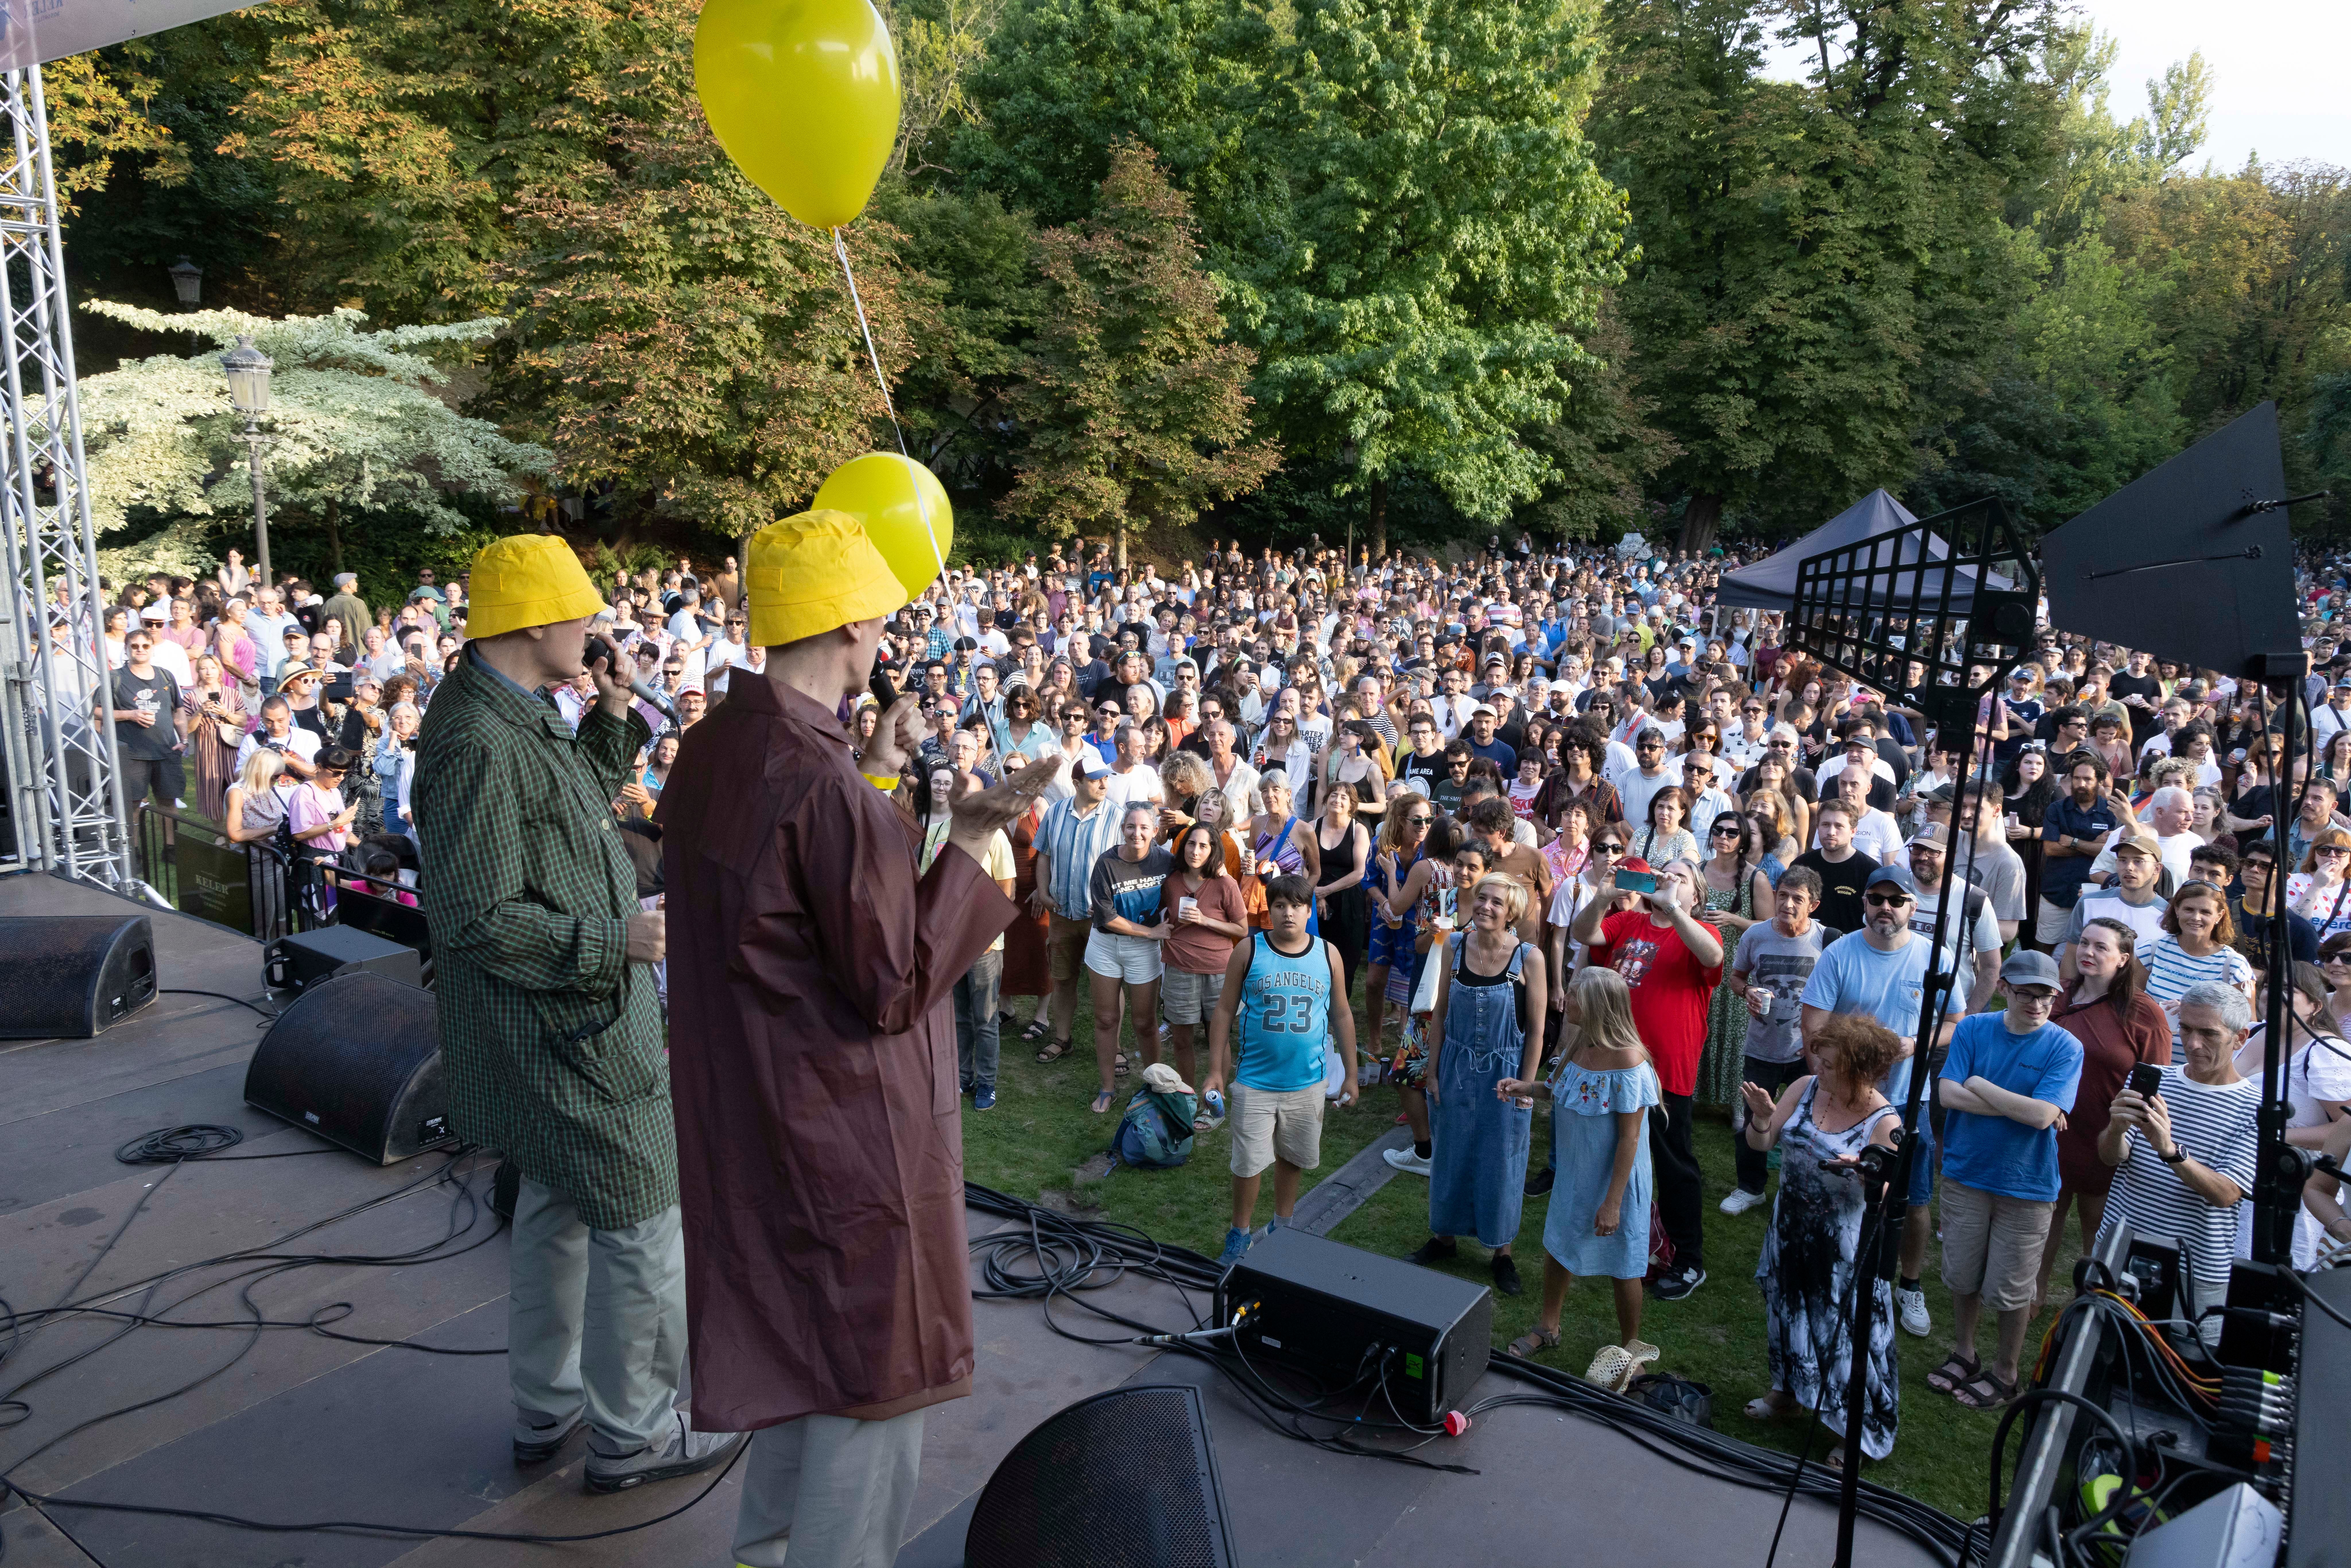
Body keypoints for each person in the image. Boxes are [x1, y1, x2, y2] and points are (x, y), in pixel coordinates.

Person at [655, 510, 1055, 1565]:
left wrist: (879, 791)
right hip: (847, 1139)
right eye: (878, 620)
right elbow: (892, 980)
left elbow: (793, 920)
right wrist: (967, 839)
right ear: (851, 626)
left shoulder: (712, 747)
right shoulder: (819, 783)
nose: (884, 637)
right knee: (873, 1379)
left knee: (796, 1357)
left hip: (758, 1113)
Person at [412, 534, 737, 1493]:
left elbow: (571, 807)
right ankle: (632, 1433)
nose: (598, 627)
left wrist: (614, 707)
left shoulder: (511, 708)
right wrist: (615, 944)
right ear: (537, 620)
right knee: (643, 1218)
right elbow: (471, 918)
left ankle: (545, 1408)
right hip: (567, 1032)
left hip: (566, 1025)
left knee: (555, 1208)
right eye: (584, 614)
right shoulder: (475, 736)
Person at [1799, 862, 1962, 1341]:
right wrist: (1828, 1085)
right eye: (1876, 899)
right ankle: (1827, 1269)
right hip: (1846, 1102)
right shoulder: (1839, 953)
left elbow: (1956, 1021)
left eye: (1896, 900)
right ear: (1864, 903)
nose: (1885, 908)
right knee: (1833, 1190)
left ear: (1914, 906)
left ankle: (1908, 1284)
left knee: (1911, 1200)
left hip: (1911, 1099)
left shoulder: (1937, 958)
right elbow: (1813, 1027)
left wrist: (1915, 1043)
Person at [1741, 1012, 1903, 1461]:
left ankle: (1855, 1434)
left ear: (1858, 1069)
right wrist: (1761, 1120)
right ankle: (1788, 1393)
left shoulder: (1884, 1122)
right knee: (1785, 1311)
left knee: (1842, 1336)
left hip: (1840, 1249)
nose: (1819, 1068)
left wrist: (1864, 1173)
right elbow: (1763, 1144)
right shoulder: (1804, 1089)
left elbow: (1887, 1193)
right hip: (1790, 1227)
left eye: (1831, 1064)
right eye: (1820, 1058)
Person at [1924, 951, 2080, 1411]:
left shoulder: (2065, 1047)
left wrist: (1979, 1084)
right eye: (2027, 993)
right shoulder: (1974, 1028)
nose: (2036, 1004)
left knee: (2012, 1288)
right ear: (2005, 988)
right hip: (1965, 1173)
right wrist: (2028, 1107)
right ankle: (1965, 1353)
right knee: (1961, 1272)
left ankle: (2007, 1373)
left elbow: (2042, 1116)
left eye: (2046, 996)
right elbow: (1946, 1094)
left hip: (2027, 1185)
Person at [1572, 856, 1725, 1300]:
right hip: (1615, 1064)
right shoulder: (1627, 923)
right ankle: (1612, 1231)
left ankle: (1688, 1260)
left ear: (1696, 896)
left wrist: (1674, 910)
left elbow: (1714, 958)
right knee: (1610, 1151)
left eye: (1681, 879)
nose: (1668, 882)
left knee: (1673, 1163)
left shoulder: (1702, 932)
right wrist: (1602, 897)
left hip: (1666, 1071)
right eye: (1664, 874)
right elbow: (1585, 934)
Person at [1500, 966, 1659, 1382]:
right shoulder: (1578, 1045)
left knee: (1625, 1264)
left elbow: (1629, 1140)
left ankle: (1632, 1350)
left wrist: (1613, 1203)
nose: (1565, 1002)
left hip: (1615, 1181)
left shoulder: (1629, 1062)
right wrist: (1524, 1087)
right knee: (1559, 1244)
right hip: (1576, 1172)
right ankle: (1548, 1327)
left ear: (1599, 1007)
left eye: (1574, 996)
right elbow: (1555, 1088)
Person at [2096, 982, 2262, 1344]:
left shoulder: (2255, 1110)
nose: (2192, 1044)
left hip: (2192, 1271)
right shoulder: (2154, 1081)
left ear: (2240, 1038)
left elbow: (2225, 1193)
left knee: (2180, 1376)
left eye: (2208, 1033)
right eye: (2185, 1029)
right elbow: (2112, 1158)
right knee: (2098, 1354)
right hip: (2120, 1249)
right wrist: (2114, 1129)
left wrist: (2170, 1150)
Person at [1410, 870, 1549, 1296]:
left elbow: (1539, 1031)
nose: (1487, 907)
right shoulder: (1453, 946)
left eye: (1497, 903)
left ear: (1512, 913)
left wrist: (1526, 1087)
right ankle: (1444, 1239)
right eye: (1482, 899)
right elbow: (1440, 1015)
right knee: (1451, 1152)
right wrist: (1432, 1072)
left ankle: (1501, 1254)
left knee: (1502, 1160)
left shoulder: (1530, 959)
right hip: (1453, 1065)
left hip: (1505, 1076)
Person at [1206, 874, 1356, 1265]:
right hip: (1255, 1081)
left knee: (1293, 1157)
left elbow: (1342, 1014)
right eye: (1279, 906)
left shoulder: (1328, 954)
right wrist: (1216, 1071)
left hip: (1307, 1083)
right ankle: (1240, 1233)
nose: (1288, 913)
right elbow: (1224, 1010)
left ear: (1310, 911)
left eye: (1297, 906)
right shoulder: (1249, 950)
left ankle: (1282, 1226)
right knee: (1249, 1161)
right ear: (1268, 910)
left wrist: (1353, 1075)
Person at [2035, 918, 2171, 1311]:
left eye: (2101, 948)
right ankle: (2036, 1291)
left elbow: (2156, 1080)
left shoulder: (2144, 1012)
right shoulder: (2056, 997)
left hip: (2107, 1132)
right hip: (2055, 1126)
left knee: (2099, 1224)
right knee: (2048, 1214)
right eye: (2085, 943)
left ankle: (2091, 1301)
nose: (2088, 953)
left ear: (2123, 960)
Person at [1722, 866, 1827, 1214]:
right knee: (1755, 1119)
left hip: (1807, 1052)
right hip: (1762, 1047)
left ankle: (1799, 1187)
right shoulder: (1756, 935)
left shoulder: (1827, 941)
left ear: (1813, 905)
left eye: (1798, 899)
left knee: (1808, 1124)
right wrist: (1748, 990)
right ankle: (1750, 1189)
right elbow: (1736, 978)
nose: (1787, 904)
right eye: (1783, 895)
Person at [1086, 801, 1177, 1114]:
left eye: (1143, 828)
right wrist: (1151, 933)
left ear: (1155, 831)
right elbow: (1107, 917)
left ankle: (1157, 1088)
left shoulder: (1166, 861)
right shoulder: (1106, 863)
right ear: (1122, 829)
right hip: (1105, 946)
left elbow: (1196, 875)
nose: (1136, 833)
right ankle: (1107, 1088)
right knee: (1106, 1018)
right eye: (1130, 827)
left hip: (1142, 952)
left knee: (1145, 1023)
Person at [1031, 756, 1120, 1065]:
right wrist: (1043, 893)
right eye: (1096, 779)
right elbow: (1043, 855)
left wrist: (1113, 905)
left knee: (1110, 984)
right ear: (1077, 782)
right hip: (1062, 914)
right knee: (1063, 979)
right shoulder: (1055, 813)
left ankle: (1116, 1046)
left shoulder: (1116, 816)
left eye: (1105, 778)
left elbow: (1125, 867)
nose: (1103, 784)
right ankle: (1062, 1038)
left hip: (1102, 920)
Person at [1160, 820, 1249, 1095]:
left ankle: (1216, 1094)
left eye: (1203, 846)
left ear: (1213, 851)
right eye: (1191, 844)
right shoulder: (1172, 882)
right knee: (1182, 1039)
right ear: (1183, 846)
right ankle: (1187, 1093)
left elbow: (1242, 929)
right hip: (1180, 968)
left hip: (1218, 971)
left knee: (1218, 1039)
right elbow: (1162, 914)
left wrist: (1205, 920)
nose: (1195, 851)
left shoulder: (1226, 884)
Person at [1696, 811, 1776, 1108]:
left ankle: (1738, 1105)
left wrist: (1733, 919)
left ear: (1742, 840)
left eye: (1731, 833)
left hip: (1738, 965)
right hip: (1702, 960)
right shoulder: (1699, 870)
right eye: (1718, 831)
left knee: (1734, 1035)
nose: (1723, 837)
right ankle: (1692, 1094)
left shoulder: (1756, 877)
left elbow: (1769, 926)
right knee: (1699, 1026)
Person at [2139, 881, 2256, 1056]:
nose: (2196, 918)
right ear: (2177, 910)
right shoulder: (2151, 951)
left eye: (2206, 912)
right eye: (2189, 910)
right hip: (2147, 1055)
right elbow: (2129, 1003)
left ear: (2219, 916)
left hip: (2203, 1065)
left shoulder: (2235, 966)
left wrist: (2191, 1012)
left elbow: (2246, 1025)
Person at [2058, 827, 2172, 979]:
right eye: (2123, 861)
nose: (2129, 867)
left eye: (2139, 861)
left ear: (2157, 869)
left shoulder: (2168, 915)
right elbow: (2071, 958)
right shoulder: (2089, 903)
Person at [109, 626, 188, 810]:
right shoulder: (115, 678)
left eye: (146, 646)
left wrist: (184, 741)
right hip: (133, 754)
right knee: (133, 806)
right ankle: (132, 840)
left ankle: (170, 841)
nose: (141, 649)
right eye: (135, 646)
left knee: (169, 803)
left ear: (153, 648)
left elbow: (178, 710)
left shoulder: (166, 676)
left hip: (167, 751)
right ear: (127, 649)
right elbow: (96, 711)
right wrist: (131, 715)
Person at [1793, 798, 1877, 937]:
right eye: (1825, 825)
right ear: (1818, 827)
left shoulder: (1870, 871)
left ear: (1853, 831)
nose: (1831, 832)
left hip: (1850, 947)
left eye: (1839, 826)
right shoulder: (1801, 865)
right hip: (1804, 945)